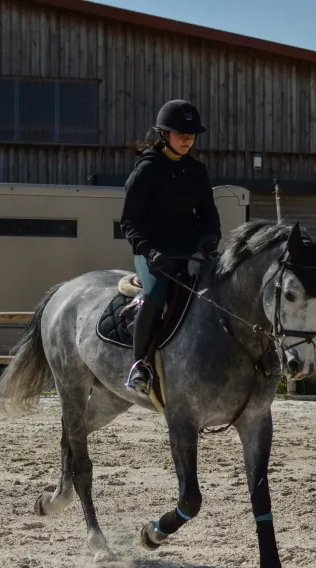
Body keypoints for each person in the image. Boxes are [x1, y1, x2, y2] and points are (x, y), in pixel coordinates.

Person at [118, 99, 222, 395]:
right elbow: (129, 222)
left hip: (191, 250)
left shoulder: (197, 171)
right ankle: (140, 365)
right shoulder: (146, 171)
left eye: (191, 135)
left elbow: (208, 214)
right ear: (164, 134)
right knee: (155, 295)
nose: (188, 139)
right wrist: (149, 252)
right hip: (154, 251)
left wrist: (210, 238)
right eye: (181, 134)